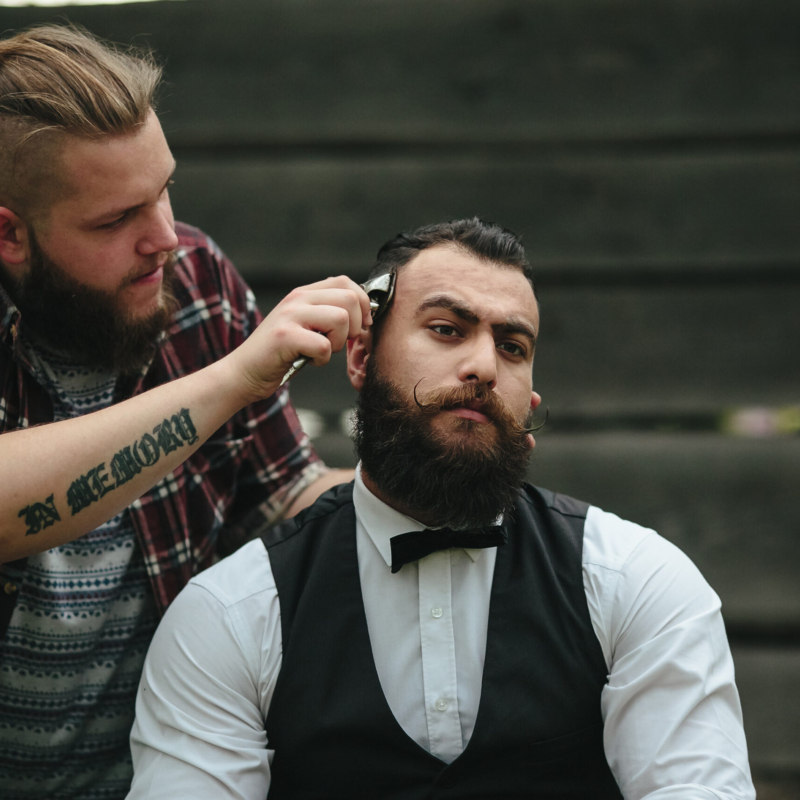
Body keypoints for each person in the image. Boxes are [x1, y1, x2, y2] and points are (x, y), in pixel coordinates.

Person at [127, 218, 755, 800]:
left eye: (511, 346)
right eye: (447, 329)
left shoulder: (636, 582)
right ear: (361, 357)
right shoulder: (230, 614)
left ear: (529, 398)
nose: (483, 364)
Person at [0, 24, 368, 800]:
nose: (164, 237)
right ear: (9, 235)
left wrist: (411, 490)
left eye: (164, 188)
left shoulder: (196, 277)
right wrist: (233, 379)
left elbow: (278, 496)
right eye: (115, 220)